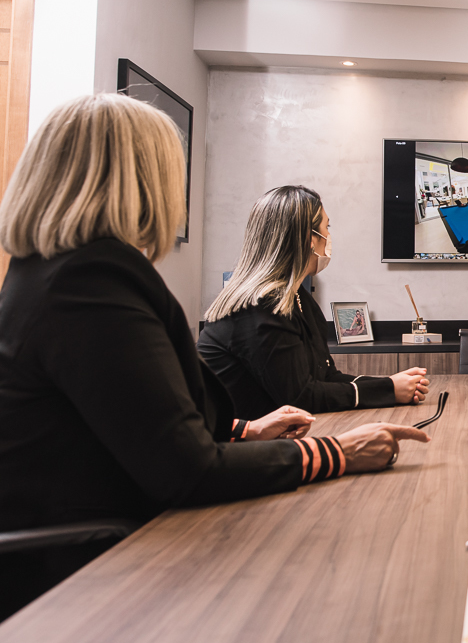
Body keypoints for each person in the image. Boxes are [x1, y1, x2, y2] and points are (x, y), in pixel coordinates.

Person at [0, 94, 429, 613]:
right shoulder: (89, 284)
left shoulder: (49, 276)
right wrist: (337, 453)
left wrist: (242, 431)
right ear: (139, 181)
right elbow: (187, 470)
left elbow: (135, 419)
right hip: (96, 567)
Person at [199, 186, 430, 419]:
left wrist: (390, 384)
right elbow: (300, 397)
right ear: (310, 238)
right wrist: (389, 390)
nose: (329, 237)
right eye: (326, 228)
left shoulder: (298, 298)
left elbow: (325, 378)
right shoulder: (261, 306)